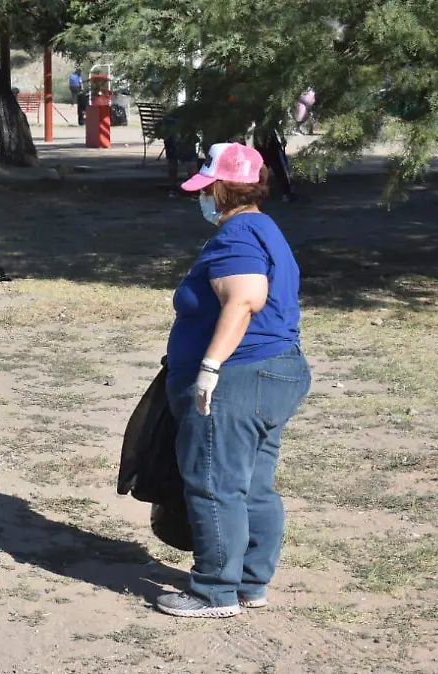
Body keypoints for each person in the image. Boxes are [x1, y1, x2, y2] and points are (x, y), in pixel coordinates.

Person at [160, 142, 311, 618]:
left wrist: (209, 368)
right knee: (254, 483)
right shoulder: (264, 227)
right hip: (275, 371)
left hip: (239, 377)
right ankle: (250, 582)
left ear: (223, 189)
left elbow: (245, 298)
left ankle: (214, 591)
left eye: (207, 189)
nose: (201, 198)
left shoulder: (238, 234)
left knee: (214, 481)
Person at [160, 106, 199, 198]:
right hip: (184, 130)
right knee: (190, 160)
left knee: (172, 159)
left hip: (170, 129)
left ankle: (173, 189)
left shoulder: (172, 113)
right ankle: (195, 191)